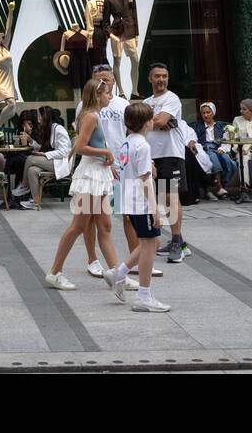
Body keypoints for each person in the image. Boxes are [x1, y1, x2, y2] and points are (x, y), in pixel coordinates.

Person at [44, 78, 123, 290]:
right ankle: (54, 272)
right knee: (78, 226)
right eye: (107, 93)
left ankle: (117, 274)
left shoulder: (92, 115)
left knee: (105, 226)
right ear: (97, 95)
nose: (110, 96)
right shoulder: (90, 116)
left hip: (97, 175)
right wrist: (106, 152)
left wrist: (107, 160)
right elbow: (80, 146)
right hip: (89, 177)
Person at [105, 102, 171, 312]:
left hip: (129, 201)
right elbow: (145, 180)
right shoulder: (142, 145)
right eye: (152, 118)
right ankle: (143, 296)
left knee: (149, 242)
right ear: (147, 122)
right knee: (149, 246)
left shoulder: (127, 143)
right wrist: (154, 209)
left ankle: (119, 273)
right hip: (141, 204)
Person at [144, 64, 189, 263]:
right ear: (150, 79)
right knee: (163, 199)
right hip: (152, 156)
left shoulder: (172, 98)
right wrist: (155, 122)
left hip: (171, 155)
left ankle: (177, 242)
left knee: (171, 197)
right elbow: (134, 125)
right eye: (157, 76)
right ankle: (179, 242)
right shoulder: (146, 102)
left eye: (164, 76)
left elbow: (161, 121)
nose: (161, 79)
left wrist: (148, 122)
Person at [21, 107, 74, 206]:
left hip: (62, 163)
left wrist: (45, 154)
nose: (38, 119)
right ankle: (36, 202)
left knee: (30, 159)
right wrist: (31, 140)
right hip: (54, 161)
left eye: (40, 116)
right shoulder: (50, 129)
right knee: (32, 170)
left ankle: (24, 185)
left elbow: (65, 152)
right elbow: (44, 147)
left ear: (45, 116)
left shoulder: (59, 129)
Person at [190, 103, 233, 200]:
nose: (205, 115)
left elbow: (226, 140)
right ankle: (219, 187)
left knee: (228, 161)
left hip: (218, 148)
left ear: (213, 113)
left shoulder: (221, 126)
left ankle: (222, 183)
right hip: (205, 148)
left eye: (208, 112)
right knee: (212, 157)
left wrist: (223, 148)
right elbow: (193, 138)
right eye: (203, 113)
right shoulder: (197, 126)